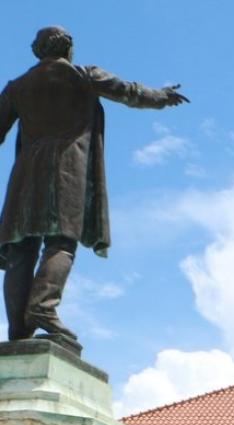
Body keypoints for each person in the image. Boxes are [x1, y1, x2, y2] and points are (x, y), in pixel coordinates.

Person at [0, 26, 188, 347]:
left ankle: (18, 328)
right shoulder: (84, 75)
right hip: (67, 169)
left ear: (37, 50)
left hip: (26, 175)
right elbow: (129, 92)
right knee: (61, 242)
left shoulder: (16, 88)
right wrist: (162, 97)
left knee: (21, 249)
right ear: (68, 48)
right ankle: (43, 308)